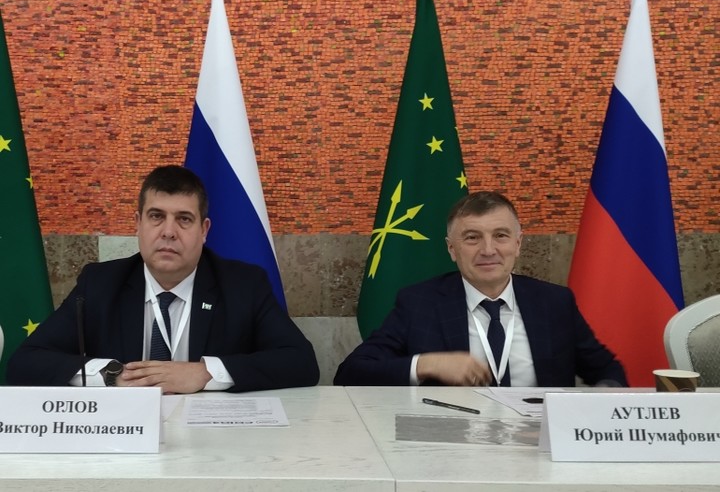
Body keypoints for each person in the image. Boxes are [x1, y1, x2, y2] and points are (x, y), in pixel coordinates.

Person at [7, 165, 319, 393]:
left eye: (184, 219)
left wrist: (205, 373)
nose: (168, 232)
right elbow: (24, 362)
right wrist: (112, 374)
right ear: (138, 224)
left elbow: (301, 362)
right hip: (125, 437)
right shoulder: (100, 283)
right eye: (156, 216)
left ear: (204, 231)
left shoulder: (243, 285)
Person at [334, 191, 627, 388]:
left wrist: (603, 398)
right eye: (472, 238)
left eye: (500, 236)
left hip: (538, 443)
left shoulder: (554, 302)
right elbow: (351, 373)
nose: (488, 250)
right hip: (455, 445)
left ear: (518, 244)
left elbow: (607, 370)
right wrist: (425, 364)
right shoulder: (419, 303)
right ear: (452, 249)